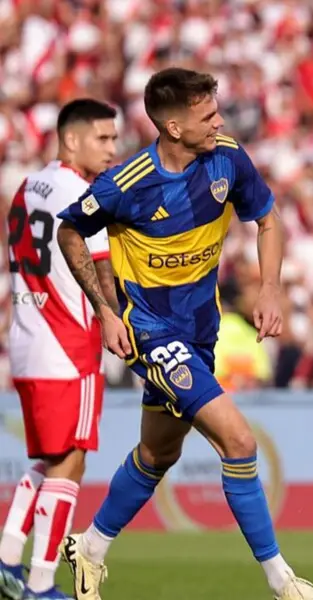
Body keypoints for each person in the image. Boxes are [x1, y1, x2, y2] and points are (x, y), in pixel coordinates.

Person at [54, 68, 313, 600]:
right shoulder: (128, 184)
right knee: (239, 440)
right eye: (207, 115)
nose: (220, 121)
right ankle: (284, 584)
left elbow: (268, 218)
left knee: (158, 455)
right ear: (175, 127)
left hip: (200, 331)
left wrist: (271, 287)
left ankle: (89, 547)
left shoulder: (227, 158)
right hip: (151, 331)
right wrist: (105, 311)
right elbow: (70, 227)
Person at [0, 99, 118, 600]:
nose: (113, 149)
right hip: (68, 345)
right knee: (71, 460)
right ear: (72, 140)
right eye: (104, 139)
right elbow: (103, 273)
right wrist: (121, 317)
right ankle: (43, 583)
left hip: (27, 340)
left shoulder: (27, 187)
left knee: (52, 458)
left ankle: (7, 559)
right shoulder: (81, 194)